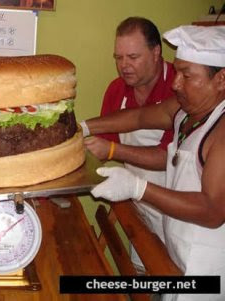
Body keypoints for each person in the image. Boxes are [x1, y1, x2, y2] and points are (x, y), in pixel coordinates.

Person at [89, 25, 225, 300]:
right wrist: (83, 126)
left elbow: (212, 211)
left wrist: (139, 188)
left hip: (207, 269)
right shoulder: (186, 111)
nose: (176, 84)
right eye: (176, 72)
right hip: (176, 253)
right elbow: (139, 118)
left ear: (221, 79)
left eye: (187, 75)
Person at [81, 17, 176, 272]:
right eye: (118, 57)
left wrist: (112, 150)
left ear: (156, 52)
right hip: (139, 204)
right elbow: (128, 123)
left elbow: (167, 157)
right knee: (145, 272)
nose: (124, 66)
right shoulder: (116, 90)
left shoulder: (180, 87)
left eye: (133, 57)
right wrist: (79, 134)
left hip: (177, 209)